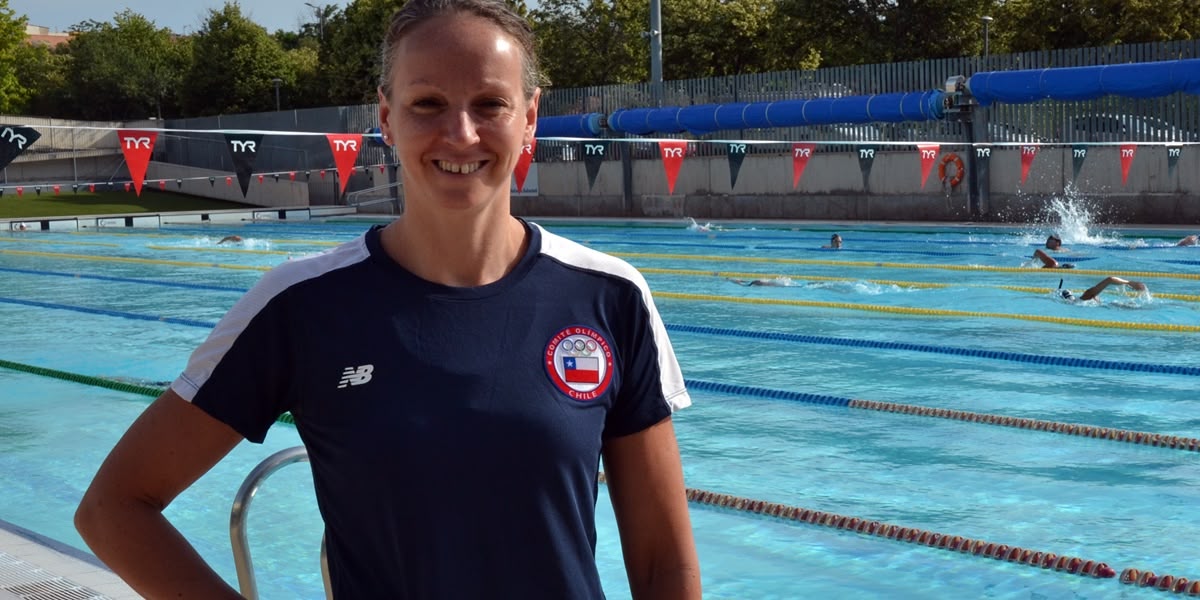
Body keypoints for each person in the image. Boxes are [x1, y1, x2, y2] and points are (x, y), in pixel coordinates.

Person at [74, 2, 701, 599]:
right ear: (385, 115)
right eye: (427, 103)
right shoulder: (303, 304)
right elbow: (114, 508)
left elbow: (661, 560)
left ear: (530, 117)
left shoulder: (609, 295)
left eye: (491, 104)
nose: (461, 133)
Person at [1058, 276, 1147, 302]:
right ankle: (1129, 283)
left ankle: (1129, 283)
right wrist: (1129, 283)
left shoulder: (1083, 298)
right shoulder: (1084, 296)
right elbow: (1110, 279)